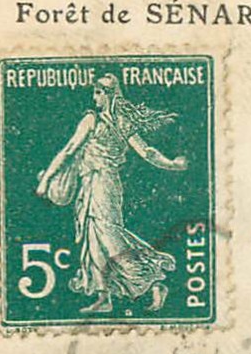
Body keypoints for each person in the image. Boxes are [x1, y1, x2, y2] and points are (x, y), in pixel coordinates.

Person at [35, 74, 187, 315]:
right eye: (94, 92)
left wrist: (45, 180)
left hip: (102, 184)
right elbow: (146, 151)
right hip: (92, 183)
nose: (95, 97)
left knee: (109, 238)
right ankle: (103, 296)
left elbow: (69, 150)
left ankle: (152, 283)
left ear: (109, 95)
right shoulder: (117, 121)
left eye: (98, 92)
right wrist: (171, 164)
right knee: (93, 238)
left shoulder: (94, 120)